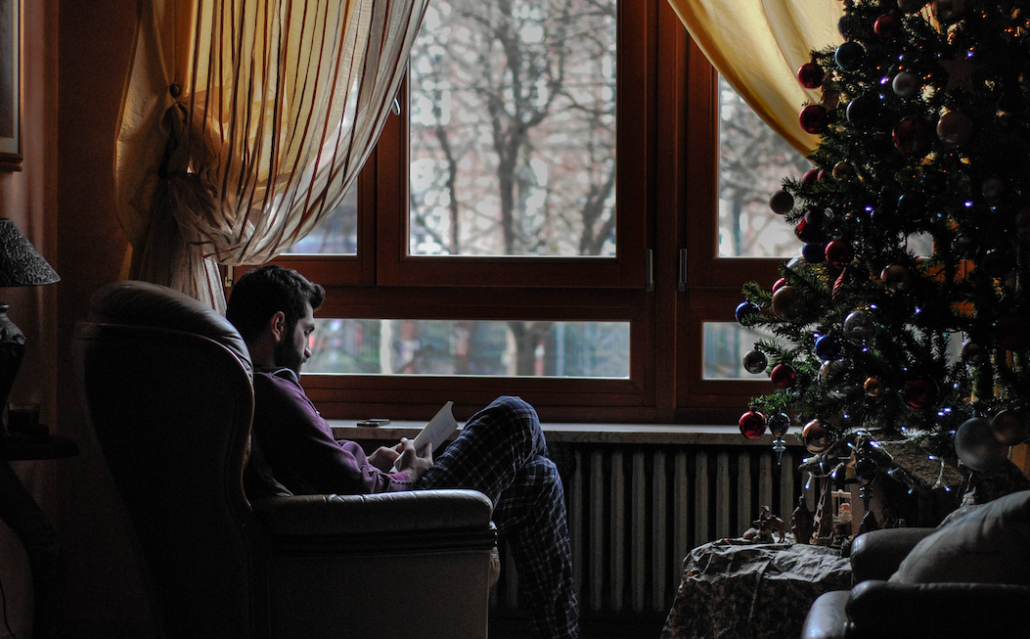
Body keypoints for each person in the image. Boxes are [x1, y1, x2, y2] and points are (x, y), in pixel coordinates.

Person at [225, 264, 579, 639]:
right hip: (386, 525)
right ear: (278, 325)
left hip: (372, 515)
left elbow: (322, 463)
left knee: (540, 478)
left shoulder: (255, 388)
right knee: (514, 414)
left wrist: (369, 459)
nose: (308, 349)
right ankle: (551, 454)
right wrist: (410, 474)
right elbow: (352, 486)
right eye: (306, 332)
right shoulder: (272, 392)